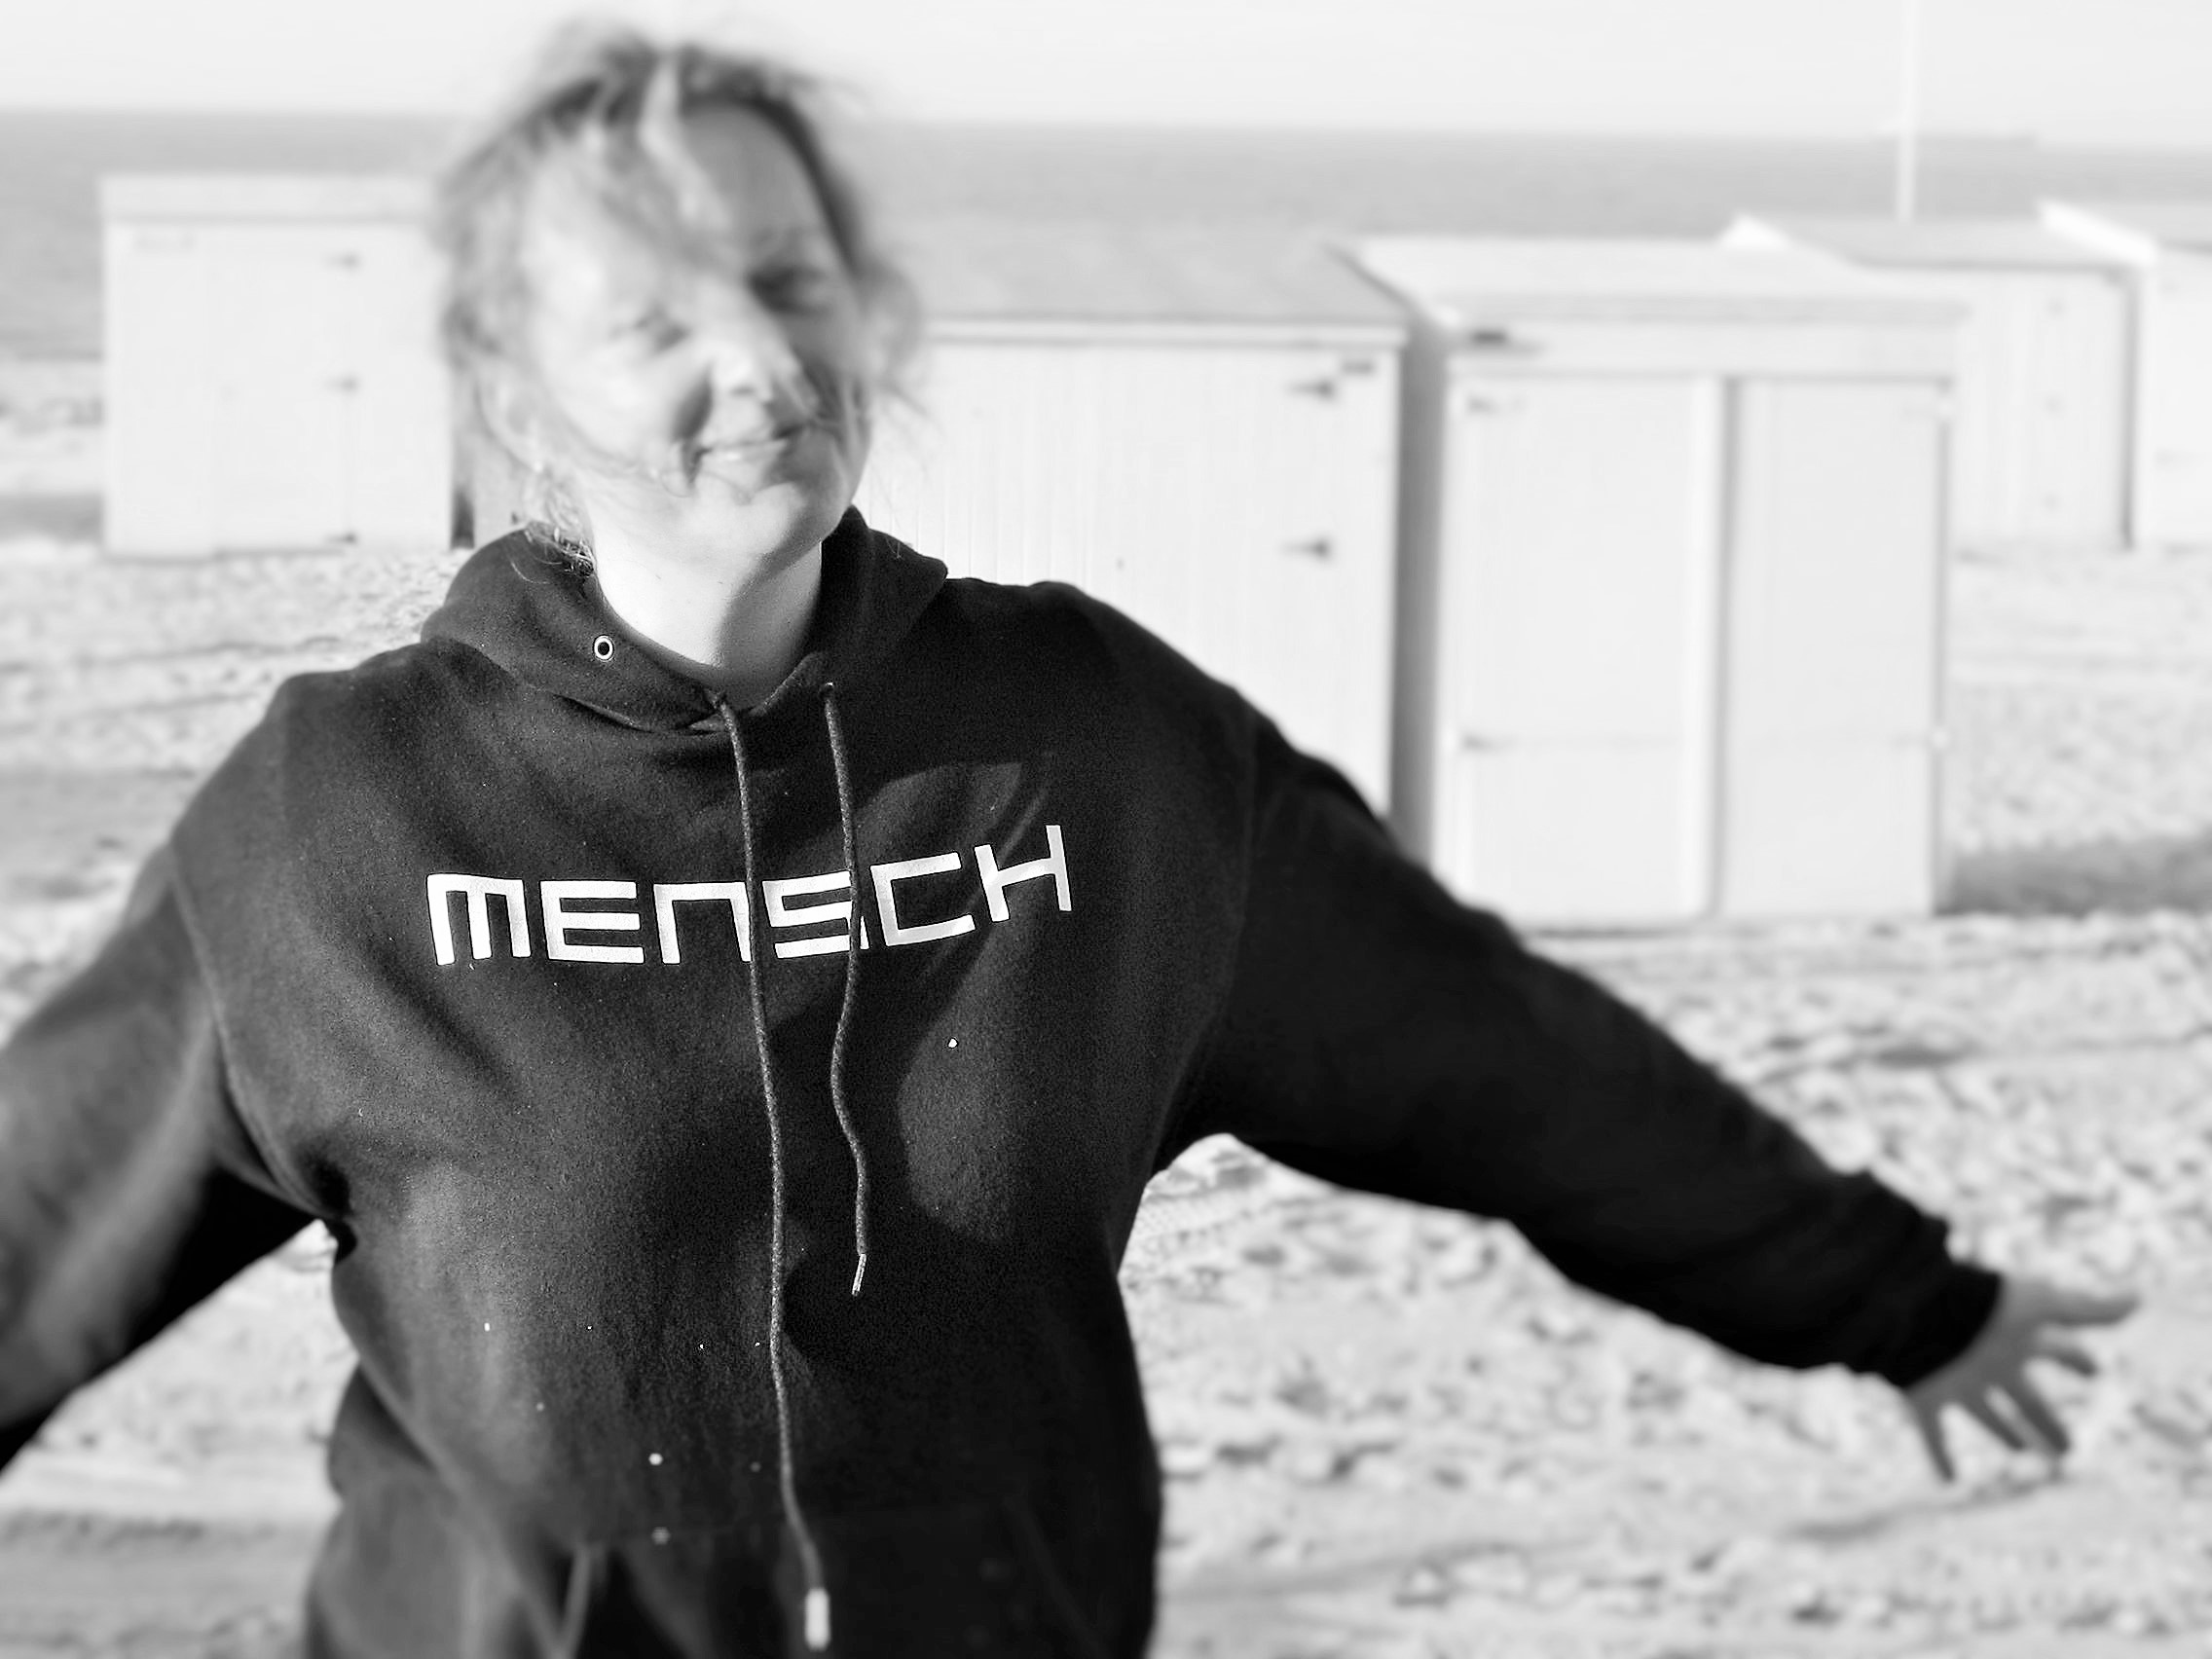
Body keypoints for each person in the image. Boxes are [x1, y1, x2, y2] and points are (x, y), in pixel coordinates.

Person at [0, 24, 2135, 1659]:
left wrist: (1886, 1293)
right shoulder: (349, 823)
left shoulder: (1082, 757)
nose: (758, 357)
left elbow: (1494, 1056)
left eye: (791, 276)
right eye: (655, 319)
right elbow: (37, 1219)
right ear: (512, 383)